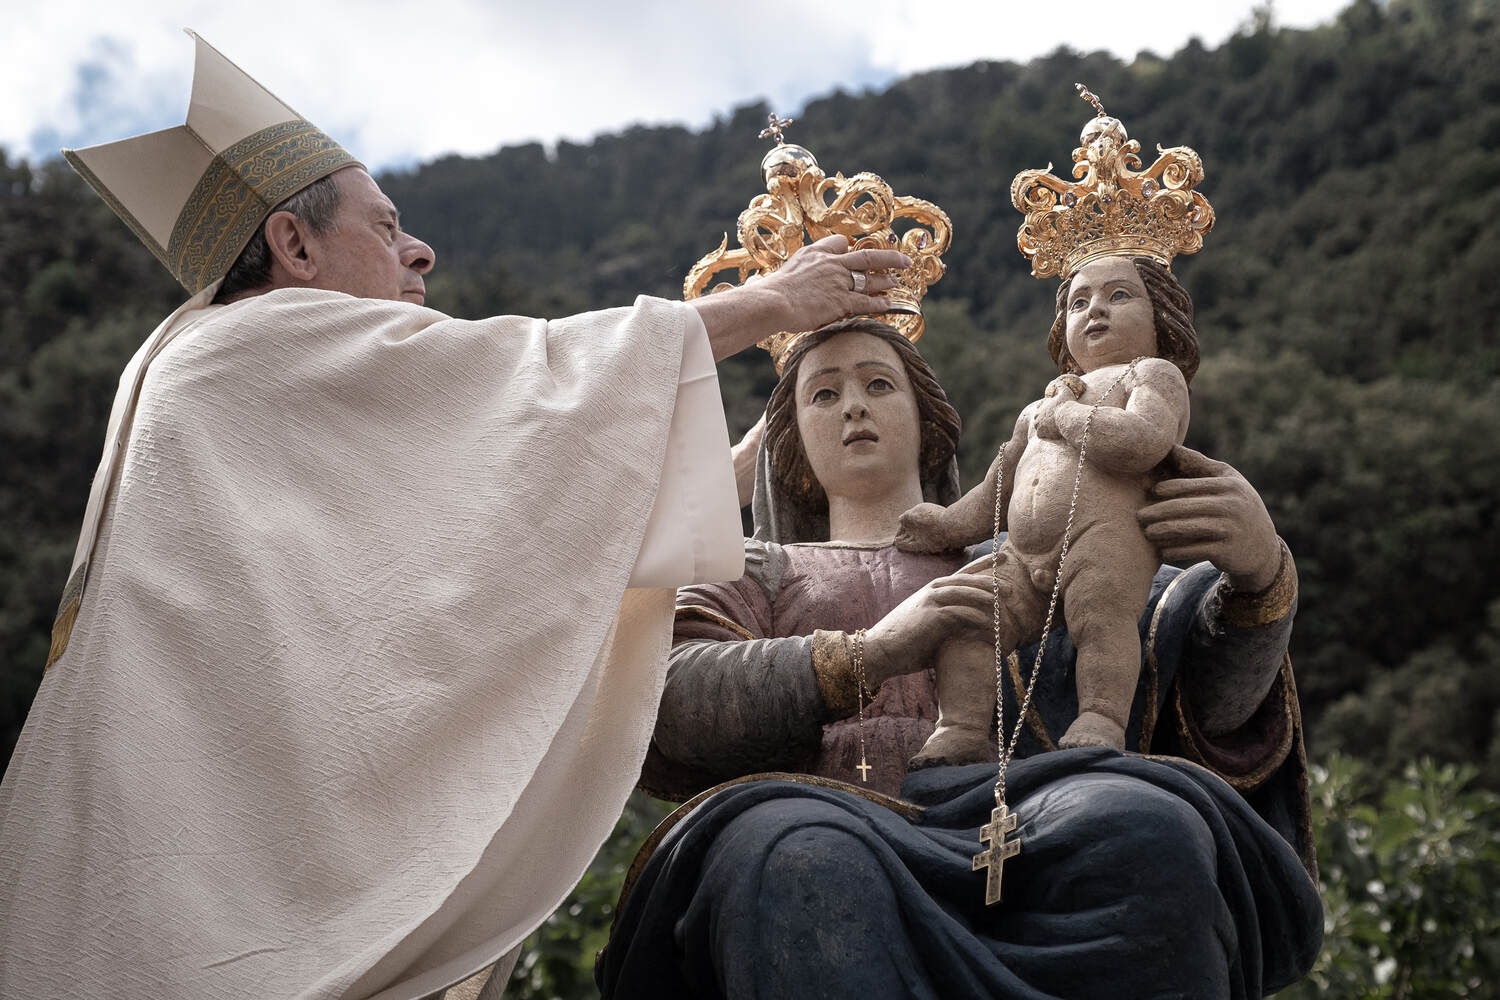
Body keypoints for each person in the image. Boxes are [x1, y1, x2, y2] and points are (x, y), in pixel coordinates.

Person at [0, 34, 909, 1000]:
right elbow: (533, 388)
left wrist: (734, 465)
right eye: (386, 226)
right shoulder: (241, 352)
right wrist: (768, 300)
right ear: (293, 245)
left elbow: (488, 556)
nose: (420, 249)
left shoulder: (225, 383)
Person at [599, 318, 1322, 998]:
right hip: (816, 811)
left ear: (928, 421)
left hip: (1020, 808)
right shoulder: (752, 567)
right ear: (790, 441)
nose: (854, 406)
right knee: (801, 862)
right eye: (824, 392)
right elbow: (671, 702)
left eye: (879, 384)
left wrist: (1259, 577)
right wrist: (872, 652)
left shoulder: (1032, 560)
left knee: (1146, 824)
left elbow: (1196, 696)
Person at [895, 253, 1197, 760]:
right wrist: (948, 524)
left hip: (1104, 539)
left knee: (1100, 619)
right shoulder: (1037, 407)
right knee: (972, 618)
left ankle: (1100, 718)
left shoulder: (1151, 374)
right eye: (1080, 302)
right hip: (1020, 552)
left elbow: (1144, 441)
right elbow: (998, 488)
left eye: (1118, 296)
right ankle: (963, 730)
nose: (1095, 310)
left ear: (1159, 315)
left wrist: (1068, 415)